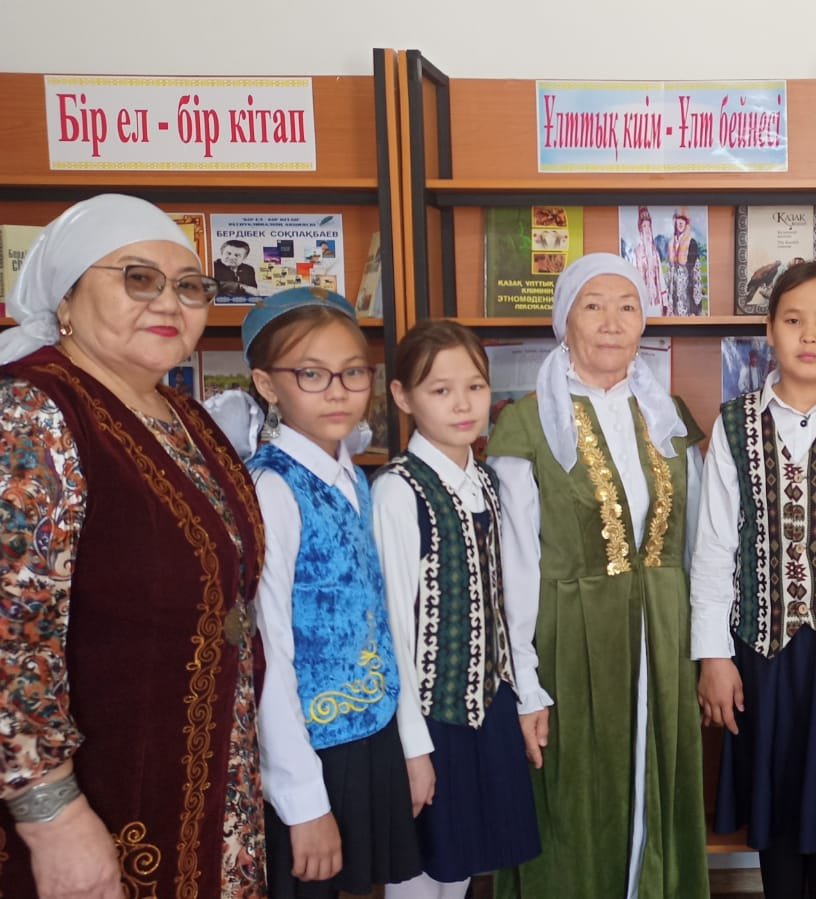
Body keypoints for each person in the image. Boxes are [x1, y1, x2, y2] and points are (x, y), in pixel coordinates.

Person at [0, 194, 266, 899]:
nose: (169, 302)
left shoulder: (179, 412)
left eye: (189, 286)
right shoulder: (34, 411)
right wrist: (50, 815)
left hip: (202, 766)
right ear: (66, 297)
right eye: (138, 277)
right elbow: (12, 637)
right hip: (96, 797)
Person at [487, 253, 709, 899]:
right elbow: (513, 566)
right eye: (593, 305)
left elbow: (695, 545)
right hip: (570, 644)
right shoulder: (527, 423)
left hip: (662, 640)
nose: (612, 322)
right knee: (575, 803)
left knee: (656, 792)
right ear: (565, 321)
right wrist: (525, 685)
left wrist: (701, 650)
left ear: (643, 322)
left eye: (627, 307)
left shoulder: (667, 415)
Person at [693, 262, 816, 898]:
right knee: (775, 809)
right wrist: (713, 656)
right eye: (793, 320)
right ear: (769, 331)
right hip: (762, 651)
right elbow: (714, 547)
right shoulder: (735, 422)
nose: (809, 335)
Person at [243, 288, 425, 897]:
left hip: (368, 732)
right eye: (311, 374)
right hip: (310, 750)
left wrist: (406, 744)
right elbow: (268, 654)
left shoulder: (352, 473)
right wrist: (302, 800)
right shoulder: (272, 489)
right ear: (267, 384)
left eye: (353, 372)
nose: (338, 391)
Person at [373, 321, 542, 899]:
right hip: (430, 718)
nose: (463, 404)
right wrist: (412, 747)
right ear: (403, 397)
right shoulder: (398, 491)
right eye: (440, 390)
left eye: (474, 386)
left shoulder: (487, 483)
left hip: (489, 708)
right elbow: (393, 631)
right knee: (420, 875)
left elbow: (507, 603)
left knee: (464, 868)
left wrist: (525, 694)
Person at [626, 207, 669, 317]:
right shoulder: (636, 253)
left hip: (657, 300)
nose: (647, 230)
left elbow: (660, 277)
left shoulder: (655, 252)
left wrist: (665, 301)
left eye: (649, 226)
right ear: (640, 230)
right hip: (643, 301)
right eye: (644, 226)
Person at [667, 208, 702, 316]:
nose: (681, 222)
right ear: (675, 221)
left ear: (687, 223)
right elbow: (669, 274)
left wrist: (695, 306)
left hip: (687, 295)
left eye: (683, 220)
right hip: (673, 296)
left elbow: (696, 275)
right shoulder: (671, 243)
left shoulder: (692, 243)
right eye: (678, 219)